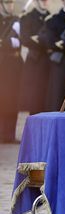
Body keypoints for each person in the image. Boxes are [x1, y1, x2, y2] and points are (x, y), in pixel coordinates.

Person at [38, 0, 65, 111]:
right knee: (58, 98)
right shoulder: (53, 20)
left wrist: (64, 44)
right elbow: (50, 42)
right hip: (61, 64)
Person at [19, 0, 50, 115]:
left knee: (47, 101)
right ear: (36, 2)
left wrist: (38, 38)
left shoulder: (50, 17)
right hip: (35, 62)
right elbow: (25, 39)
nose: (45, 2)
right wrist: (44, 41)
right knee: (35, 102)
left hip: (48, 62)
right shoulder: (28, 17)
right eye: (42, 1)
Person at [0, 0, 22, 143]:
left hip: (13, 66)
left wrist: (3, 43)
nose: (10, 6)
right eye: (7, 3)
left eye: (11, 3)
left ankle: (10, 135)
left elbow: (18, 42)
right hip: (1, 65)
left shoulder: (16, 21)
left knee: (13, 100)